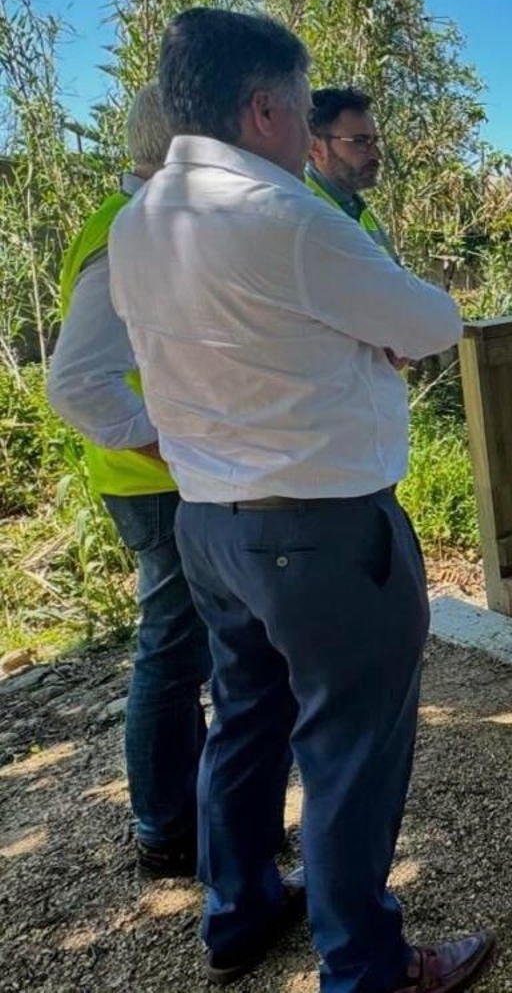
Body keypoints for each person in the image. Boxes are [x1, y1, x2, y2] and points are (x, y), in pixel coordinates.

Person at [108, 7, 494, 993]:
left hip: (209, 526)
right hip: (321, 533)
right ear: (266, 107)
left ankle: (237, 911)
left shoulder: (138, 223)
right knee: (350, 746)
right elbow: (431, 320)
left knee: (245, 718)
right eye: (299, 99)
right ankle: (365, 965)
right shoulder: (286, 218)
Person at [46, 83, 212, 881]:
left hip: (157, 475)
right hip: (153, 482)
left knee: (188, 651)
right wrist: (172, 450)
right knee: (173, 652)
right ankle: (167, 830)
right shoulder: (128, 234)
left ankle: (192, 813)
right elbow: (76, 381)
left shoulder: (144, 224)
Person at [305, 86, 396, 258]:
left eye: (374, 141)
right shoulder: (304, 210)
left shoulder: (359, 210)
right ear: (315, 148)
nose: (377, 155)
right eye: (360, 141)